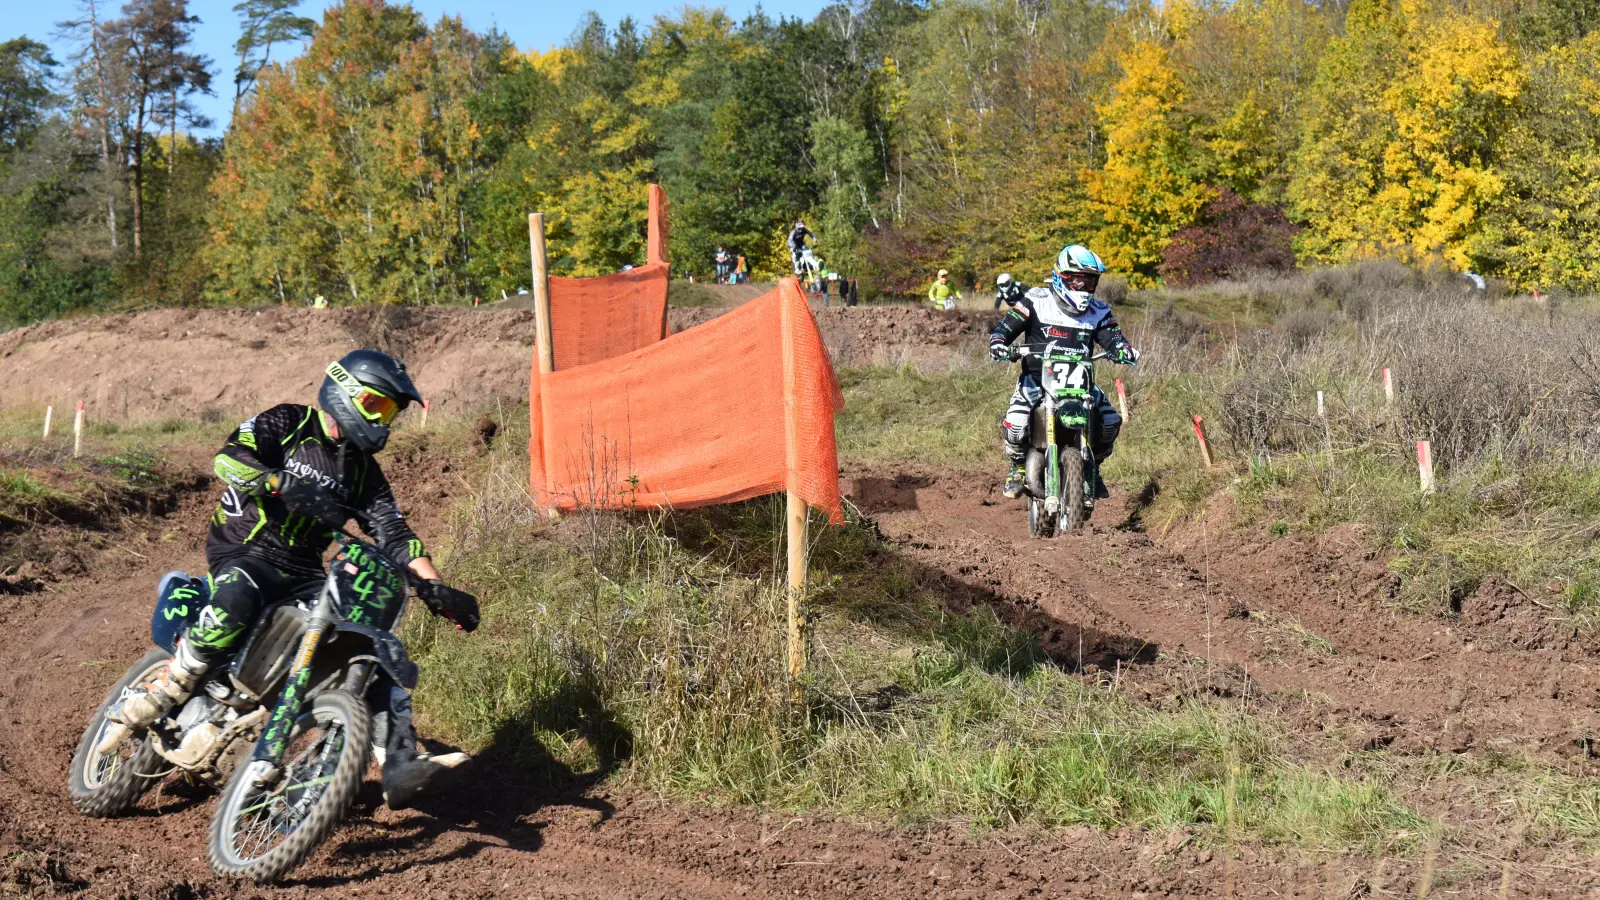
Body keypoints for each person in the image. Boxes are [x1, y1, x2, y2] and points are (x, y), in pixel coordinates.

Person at [108, 349, 482, 809]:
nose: (385, 420)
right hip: (245, 547)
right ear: (346, 392)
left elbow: (396, 534)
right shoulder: (289, 421)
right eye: (378, 405)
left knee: (363, 646)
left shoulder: (365, 473)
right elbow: (229, 458)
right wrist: (276, 482)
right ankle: (174, 682)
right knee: (241, 591)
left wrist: (435, 589)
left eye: (392, 412)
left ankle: (399, 761)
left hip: (304, 571)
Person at [988, 244, 1139, 500]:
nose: (1083, 286)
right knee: (1016, 424)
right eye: (1078, 280)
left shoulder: (1098, 311)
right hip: (1036, 381)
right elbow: (1004, 328)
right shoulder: (1036, 300)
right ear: (1061, 277)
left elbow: (1114, 338)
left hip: (1081, 383)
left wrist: (1123, 349)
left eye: (1089, 281)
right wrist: (999, 344)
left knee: (1111, 421)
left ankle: (1094, 469)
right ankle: (1018, 467)